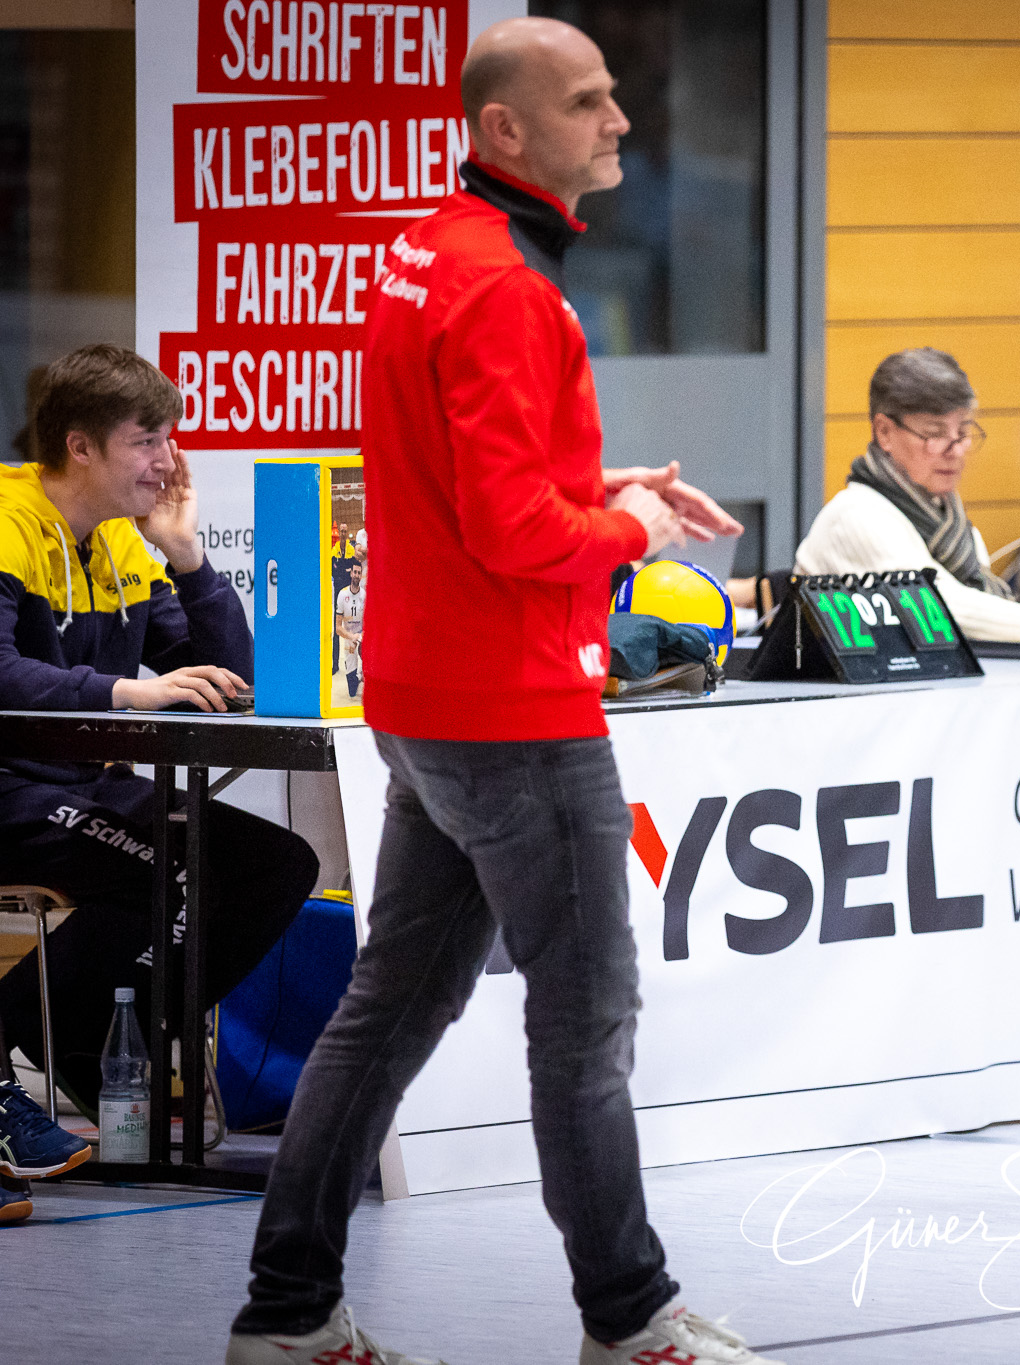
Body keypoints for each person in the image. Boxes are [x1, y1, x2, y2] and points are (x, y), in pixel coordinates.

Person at [225, 18, 779, 1365]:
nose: (622, 122)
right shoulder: (505, 289)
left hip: (424, 693)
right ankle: (631, 1319)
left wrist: (610, 489)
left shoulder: (424, 253)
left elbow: (478, 477)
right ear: (503, 132)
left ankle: (288, 1313)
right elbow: (512, 531)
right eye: (588, 102)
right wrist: (629, 534)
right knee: (584, 1025)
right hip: (514, 710)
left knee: (394, 1006)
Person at [0, 345, 319, 1220]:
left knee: (275, 864)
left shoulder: (124, 542)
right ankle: (74, 1031)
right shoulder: (7, 520)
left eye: (169, 438)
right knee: (179, 865)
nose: (168, 460)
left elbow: (229, 681)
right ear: (81, 448)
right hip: (12, 792)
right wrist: (123, 689)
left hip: (87, 788)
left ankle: (75, 1025)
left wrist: (188, 559)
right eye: (147, 441)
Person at [794, 347, 1020, 643]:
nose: (954, 450)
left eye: (963, 432)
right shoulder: (854, 516)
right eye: (935, 433)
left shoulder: (950, 521)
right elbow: (936, 607)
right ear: (884, 432)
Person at [334, 560, 364, 700]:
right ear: (351, 573)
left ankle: (365, 670)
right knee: (352, 691)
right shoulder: (342, 595)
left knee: (365, 649)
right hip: (348, 636)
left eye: (359, 573)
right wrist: (351, 637)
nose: (356, 575)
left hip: (362, 634)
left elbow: (370, 623)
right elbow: (338, 628)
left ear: (361, 575)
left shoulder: (365, 595)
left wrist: (360, 636)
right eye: (355, 572)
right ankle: (358, 675)